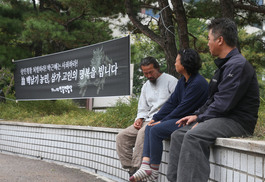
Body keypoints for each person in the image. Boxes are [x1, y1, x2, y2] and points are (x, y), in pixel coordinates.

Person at [166, 18, 260, 182]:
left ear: (220, 40)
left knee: (193, 136)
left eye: (209, 39)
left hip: (238, 121)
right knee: (178, 135)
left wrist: (202, 119)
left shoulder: (238, 65)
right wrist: (197, 115)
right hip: (223, 117)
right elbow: (212, 100)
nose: (208, 44)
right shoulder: (224, 66)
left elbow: (224, 103)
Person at [129, 49, 209, 182]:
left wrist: (163, 121)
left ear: (184, 64)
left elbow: (183, 108)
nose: (174, 63)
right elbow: (171, 103)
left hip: (191, 121)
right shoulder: (183, 81)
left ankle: (153, 170)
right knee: (150, 126)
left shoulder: (198, 83)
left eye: (177, 61)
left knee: (155, 129)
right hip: (181, 118)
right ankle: (145, 165)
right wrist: (156, 118)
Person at [116, 56, 178, 177]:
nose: (149, 75)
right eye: (145, 73)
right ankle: (131, 169)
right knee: (122, 137)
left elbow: (178, 103)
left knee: (142, 134)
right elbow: (143, 107)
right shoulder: (146, 86)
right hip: (147, 119)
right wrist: (139, 118)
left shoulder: (171, 81)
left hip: (163, 120)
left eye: (151, 72)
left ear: (157, 68)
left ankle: (138, 169)